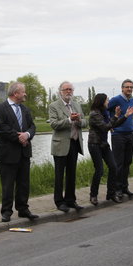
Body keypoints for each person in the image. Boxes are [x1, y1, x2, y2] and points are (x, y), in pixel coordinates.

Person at [0, 82, 38, 223]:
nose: (25, 94)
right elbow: (1, 128)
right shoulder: (0, 109)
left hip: (24, 153)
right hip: (7, 153)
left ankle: (23, 209)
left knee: (24, 183)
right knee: (7, 184)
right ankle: (6, 211)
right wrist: (19, 137)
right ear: (15, 93)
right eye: (23, 92)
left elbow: (32, 126)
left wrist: (27, 135)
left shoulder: (25, 109)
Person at [88, 93, 133, 205]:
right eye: (106, 100)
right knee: (99, 170)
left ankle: (111, 193)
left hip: (104, 144)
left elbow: (114, 125)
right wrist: (115, 117)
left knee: (113, 167)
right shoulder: (94, 113)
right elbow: (105, 127)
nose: (108, 102)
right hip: (95, 144)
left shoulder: (104, 113)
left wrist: (125, 116)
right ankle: (93, 195)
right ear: (101, 101)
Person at [49, 81, 87, 212]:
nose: (69, 92)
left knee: (72, 173)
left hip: (75, 143)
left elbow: (85, 122)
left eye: (71, 89)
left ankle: (71, 200)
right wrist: (70, 120)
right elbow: (54, 124)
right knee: (59, 175)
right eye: (66, 90)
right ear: (60, 91)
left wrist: (78, 120)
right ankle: (59, 202)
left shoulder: (76, 105)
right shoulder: (54, 106)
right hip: (61, 145)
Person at [108, 79, 133, 199]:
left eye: (131, 87)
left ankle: (125, 187)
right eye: (127, 87)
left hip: (129, 134)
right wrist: (110, 125)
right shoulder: (115, 100)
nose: (129, 89)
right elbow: (105, 110)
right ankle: (117, 189)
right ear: (122, 88)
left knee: (127, 162)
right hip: (118, 134)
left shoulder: (132, 100)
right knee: (118, 163)